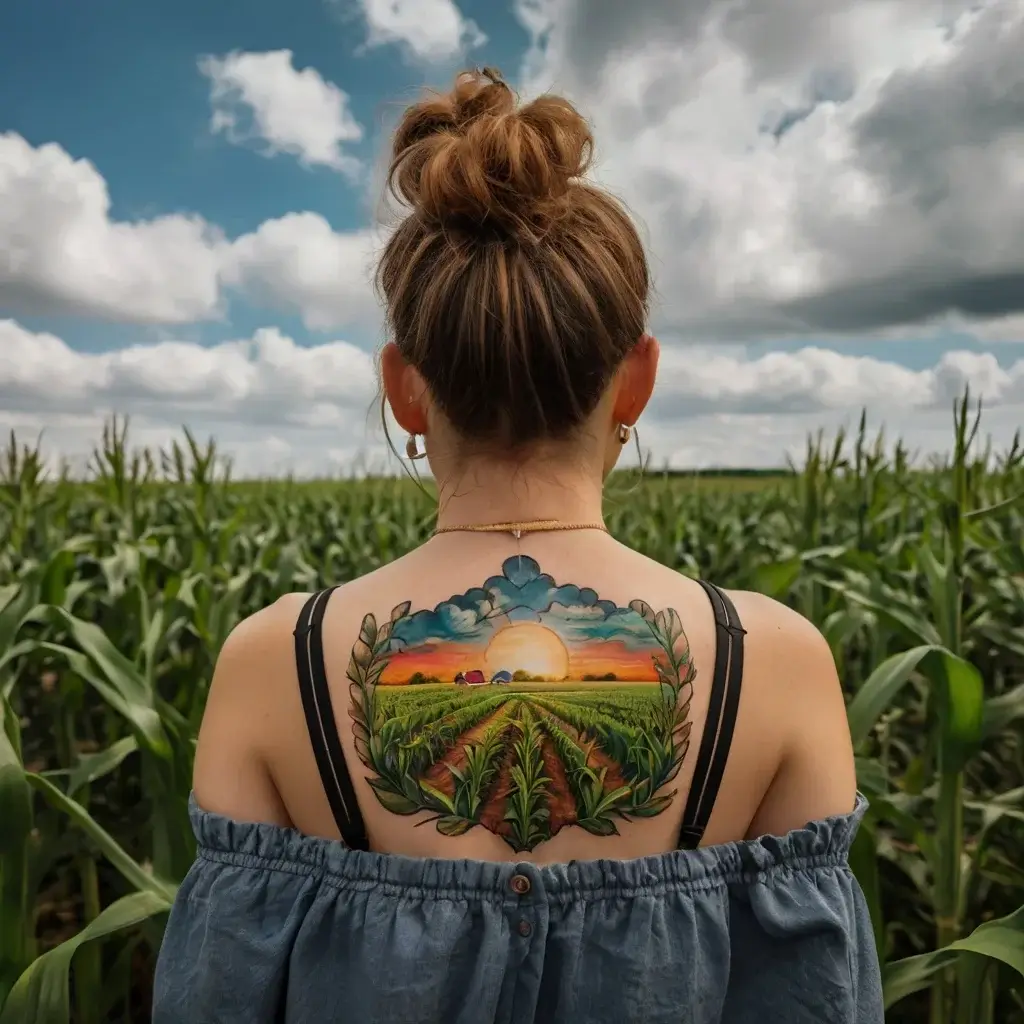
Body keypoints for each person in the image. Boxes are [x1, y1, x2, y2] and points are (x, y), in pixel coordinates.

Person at [153, 67, 882, 1024]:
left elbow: (215, 1000)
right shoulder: (778, 662)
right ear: (636, 382)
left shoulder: (271, 661)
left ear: (406, 389)